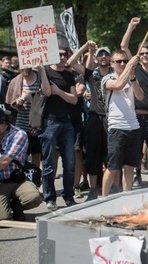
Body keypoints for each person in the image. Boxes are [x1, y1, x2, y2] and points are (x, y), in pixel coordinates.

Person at [120, 17, 148, 187]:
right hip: (136, 118)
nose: (145, 56)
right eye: (142, 53)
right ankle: (135, 178)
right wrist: (130, 27)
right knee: (134, 153)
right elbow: (124, 47)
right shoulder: (135, 68)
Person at [68, 43, 112, 200]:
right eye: (101, 54)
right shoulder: (91, 74)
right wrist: (86, 47)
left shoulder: (115, 73)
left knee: (111, 155)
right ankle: (93, 189)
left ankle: (112, 188)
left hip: (111, 118)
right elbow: (71, 63)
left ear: (110, 58)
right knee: (93, 155)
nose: (104, 57)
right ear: (97, 58)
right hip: (93, 118)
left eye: (106, 54)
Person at [101, 50, 144, 196]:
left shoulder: (131, 78)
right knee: (113, 167)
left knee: (130, 166)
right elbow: (118, 85)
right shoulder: (107, 79)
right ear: (112, 64)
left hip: (134, 126)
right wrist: (130, 66)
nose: (123, 64)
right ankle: (104, 199)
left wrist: (133, 79)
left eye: (125, 61)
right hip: (117, 127)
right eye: (119, 61)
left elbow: (140, 96)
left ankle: (126, 197)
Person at [40, 47, 78, 211]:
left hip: (67, 124)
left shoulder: (69, 75)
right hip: (50, 123)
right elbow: (47, 92)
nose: (62, 57)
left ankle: (69, 197)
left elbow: (74, 99)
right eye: (59, 54)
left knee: (69, 163)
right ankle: (50, 198)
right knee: (48, 163)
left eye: (65, 55)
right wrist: (41, 71)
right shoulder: (47, 71)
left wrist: (59, 91)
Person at [6, 58, 49, 167]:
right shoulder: (15, 81)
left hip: (38, 123)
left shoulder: (39, 78)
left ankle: (35, 177)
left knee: (36, 153)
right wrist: (18, 101)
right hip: (21, 123)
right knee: (20, 153)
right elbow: (11, 104)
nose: (24, 68)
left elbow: (46, 98)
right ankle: (22, 177)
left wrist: (37, 125)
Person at [0, 108, 41, 220]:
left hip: (16, 179)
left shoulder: (18, 134)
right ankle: (6, 208)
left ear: (4, 122)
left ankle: (16, 206)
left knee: (33, 197)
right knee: (4, 219)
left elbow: (3, 162)